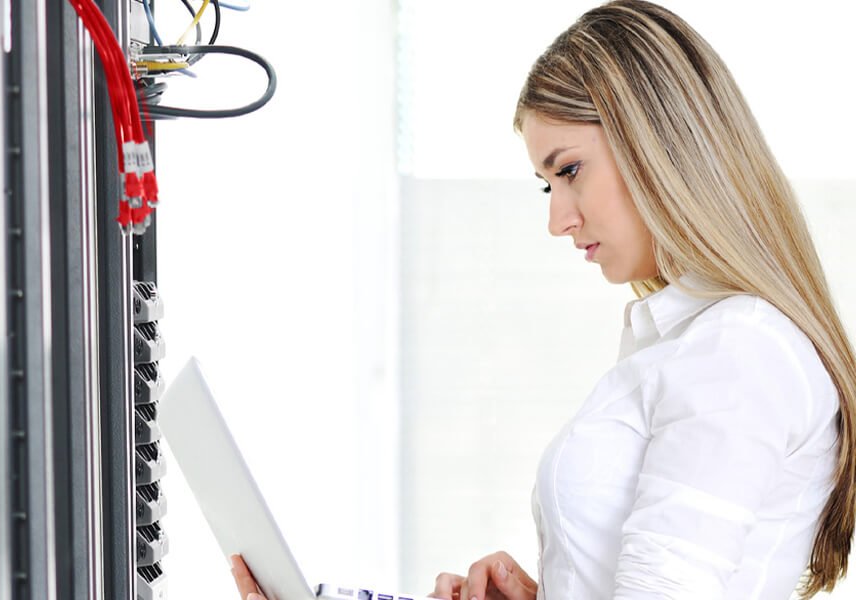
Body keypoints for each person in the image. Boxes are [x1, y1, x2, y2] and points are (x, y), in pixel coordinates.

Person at [231, 1, 856, 599]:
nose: (559, 219)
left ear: (658, 143)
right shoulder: (689, 337)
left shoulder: (738, 349)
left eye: (571, 171)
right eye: (546, 185)